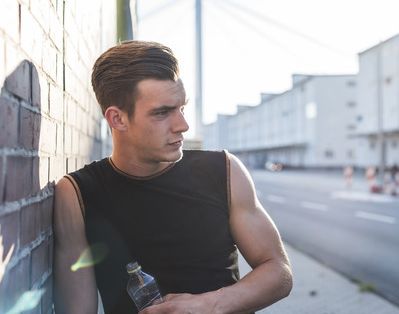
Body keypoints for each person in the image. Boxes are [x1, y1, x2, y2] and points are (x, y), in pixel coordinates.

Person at [53, 41, 292, 314]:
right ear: (118, 119)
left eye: (181, 108)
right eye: (162, 112)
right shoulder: (77, 194)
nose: (183, 125)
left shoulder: (223, 170)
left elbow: (278, 271)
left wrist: (209, 304)